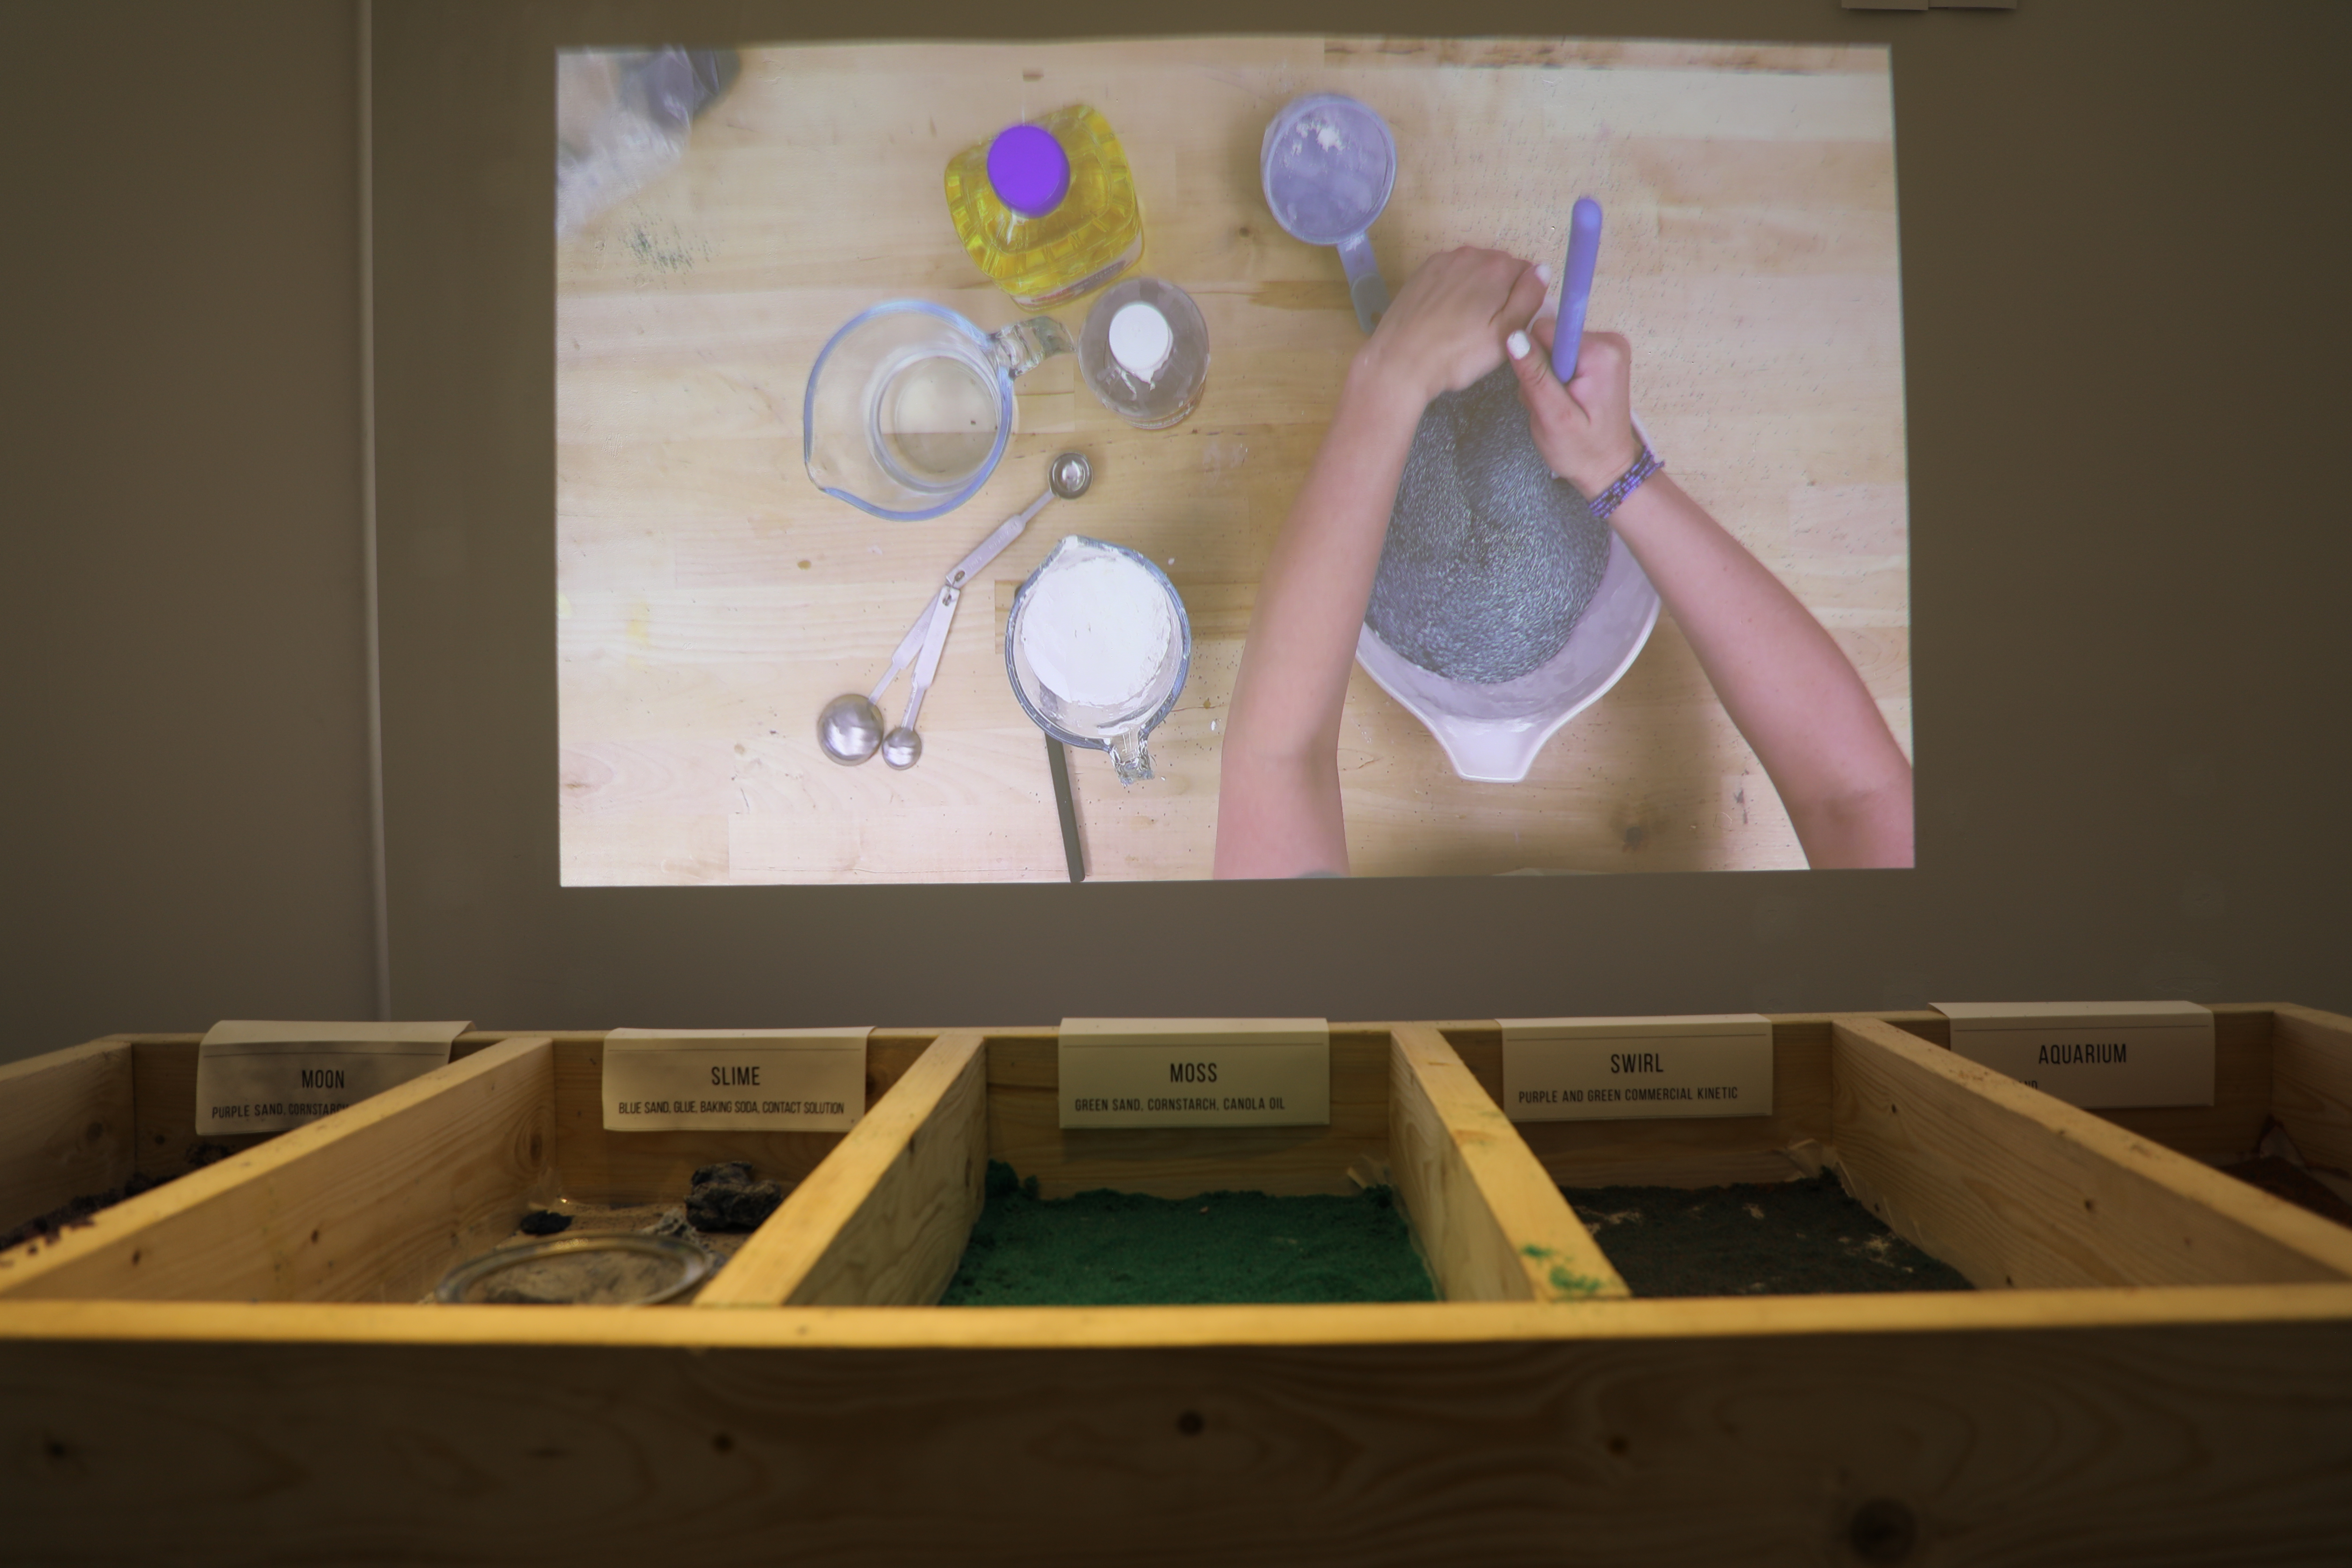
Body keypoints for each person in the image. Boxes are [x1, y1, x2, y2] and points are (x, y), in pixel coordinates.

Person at [1213, 246, 1913, 877]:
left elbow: (1278, 760)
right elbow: (1855, 798)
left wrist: (1388, 381)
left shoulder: (1309, 1007)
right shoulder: (1882, 1008)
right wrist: (1618, 470)